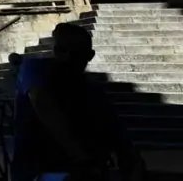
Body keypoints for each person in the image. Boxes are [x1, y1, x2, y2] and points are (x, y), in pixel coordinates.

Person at [12, 22, 143, 181]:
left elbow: (113, 125)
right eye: (61, 50)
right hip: (40, 170)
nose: (67, 57)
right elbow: (42, 102)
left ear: (89, 55)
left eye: (75, 52)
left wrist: (127, 155)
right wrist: (81, 157)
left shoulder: (91, 90)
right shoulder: (36, 69)